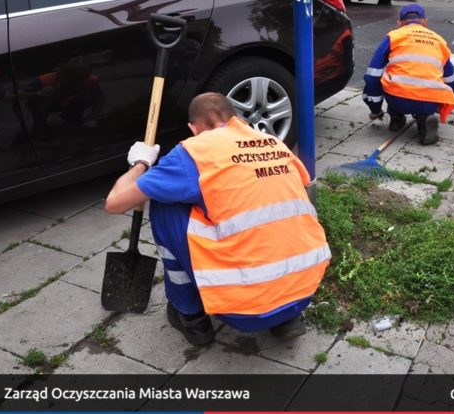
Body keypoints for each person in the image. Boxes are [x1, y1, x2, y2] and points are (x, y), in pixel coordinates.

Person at [105, 92, 331, 345]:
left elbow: (114, 203)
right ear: (236, 118)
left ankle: (192, 318)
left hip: (244, 310)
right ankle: (287, 318)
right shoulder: (273, 143)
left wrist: (140, 162)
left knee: (163, 201)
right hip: (304, 290)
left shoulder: (193, 152)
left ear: (193, 129)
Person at [362, 3, 454, 145]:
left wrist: (375, 109)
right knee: (434, 83)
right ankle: (425, 119)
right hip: (430, 99)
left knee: (386, 74)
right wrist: (442, 106)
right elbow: (449, 78)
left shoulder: (393, 37)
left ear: (399, 23)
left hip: (398, 98)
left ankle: (396, 117)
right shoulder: (439, 40)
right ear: (425, 22)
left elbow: (372, 75)